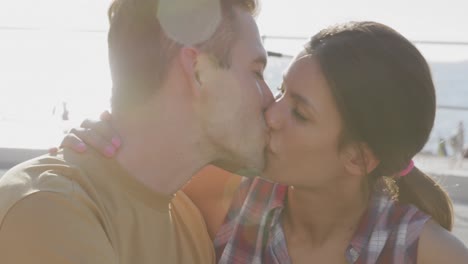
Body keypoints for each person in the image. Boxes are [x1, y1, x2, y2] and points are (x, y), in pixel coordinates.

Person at [64, 22, 468, 263]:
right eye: (280, 90)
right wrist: (109, 138)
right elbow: (133, 170)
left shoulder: (428, 253)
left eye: (300, 113)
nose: (270, 115)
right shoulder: (231, 200)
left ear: (359, 158)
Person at [0, 0, 274, 263]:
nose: (271, 101)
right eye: (257, 72)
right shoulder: (48, 210)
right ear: (199, 72)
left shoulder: (189, 225)